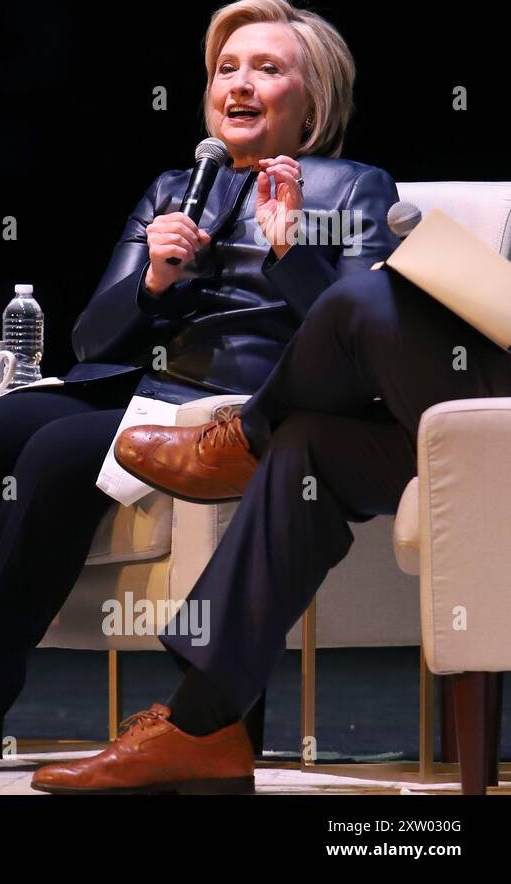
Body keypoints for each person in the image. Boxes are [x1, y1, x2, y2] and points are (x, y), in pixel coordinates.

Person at [0, 0, 401, 773]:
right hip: (129, 384)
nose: (239, 85)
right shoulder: (173, 187)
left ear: (314, 99)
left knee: (60, 453)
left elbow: (355, 338)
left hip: (229, 407)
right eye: (226, 69)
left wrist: (291, 246)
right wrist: (154, 279)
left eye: (266, 69)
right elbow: (91, 337)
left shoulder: (353, 188)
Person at [30, 248, 511, 795]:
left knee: (361, 300)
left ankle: (247, 436)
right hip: (487, 417)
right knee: (303, 445)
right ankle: (201, 725)